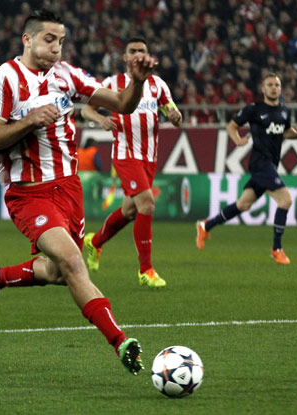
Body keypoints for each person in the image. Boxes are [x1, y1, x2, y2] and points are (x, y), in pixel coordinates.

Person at [0, 8, 157, 376]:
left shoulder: (66, 75)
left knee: (58, 272)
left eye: (61, 41)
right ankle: (120, 341)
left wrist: (136, 82)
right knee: (73, 262)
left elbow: (122, 104)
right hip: (29, 193)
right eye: (49, 39)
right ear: (27, 39)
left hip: (69, 190)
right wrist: (29, 121)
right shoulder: (5, 78)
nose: (56, 47)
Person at [80, 37, 183, 288]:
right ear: (125, 58)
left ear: (147, 56)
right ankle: (146, 270)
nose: (137, 54)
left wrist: (175, 115)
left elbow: (171, 110)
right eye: (133, 50)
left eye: (142, 51)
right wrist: (100, 120)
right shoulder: (112, 83)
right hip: (125, 154)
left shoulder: (158, 84)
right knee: (147, 203)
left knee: (129, 211)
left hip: (149, 158)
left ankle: (95, 242)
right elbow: (86, 109)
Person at [195, 73, 297, 265]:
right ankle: (276, 249)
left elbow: (285, 132)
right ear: (263, 89)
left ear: (280, 89)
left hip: (271, 163)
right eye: (270, 85)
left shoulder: (284, 111)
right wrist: (238, 140)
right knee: (285, 200)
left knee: (243, 204)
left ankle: (206, 225)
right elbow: (232, 126)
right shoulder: (254, 109)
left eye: (277, 85)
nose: (273, 88)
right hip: (260, 163)